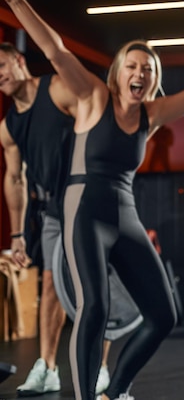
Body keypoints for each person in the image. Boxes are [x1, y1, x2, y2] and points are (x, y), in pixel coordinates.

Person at [0, 0, 184, 399]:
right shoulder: (92, 96)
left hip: (124, 212)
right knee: (95, 308)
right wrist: (16, 1)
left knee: (163, 315)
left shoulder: (151, 114)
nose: (140, 73)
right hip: (83, 207)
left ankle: (117, 391)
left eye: (147, 69)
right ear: (118, 72)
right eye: (132, 66)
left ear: (153, 79)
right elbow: (55, 52)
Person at [0, 42, 111, 397]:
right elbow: (14, 179)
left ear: (18, 61)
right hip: (52, 210)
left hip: (91, 201)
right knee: (50, 285)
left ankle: (101, 368)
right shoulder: (8, 127)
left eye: (1, 65)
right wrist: (17, 233)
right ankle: (47, 367)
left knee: (94, 286)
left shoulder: (57, 89)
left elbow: (98, 109)